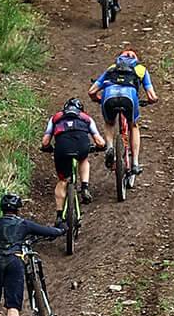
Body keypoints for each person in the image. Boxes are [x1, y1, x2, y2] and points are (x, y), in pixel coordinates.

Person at [92, 47, 156, 177]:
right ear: (135, 59)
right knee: (133, 126)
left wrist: (98, 99)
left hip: (109, 96)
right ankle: (135, 164)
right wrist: (150, 101)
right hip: (129, 98)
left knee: (110, 123)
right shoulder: (141, 69)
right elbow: (152, 96)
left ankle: (110, 147)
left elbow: (91, 91)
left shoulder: (111, 68)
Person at [41, 94, 107, 218]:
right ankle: (85, 187)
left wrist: (47, 148)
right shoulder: (86, 118)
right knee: (83, 159)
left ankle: (59, 215)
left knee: (62, 181)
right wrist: (101, 147)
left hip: (62, 148)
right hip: (81, 145)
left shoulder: (55, 118)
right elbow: (100, 141)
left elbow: (45, 142)